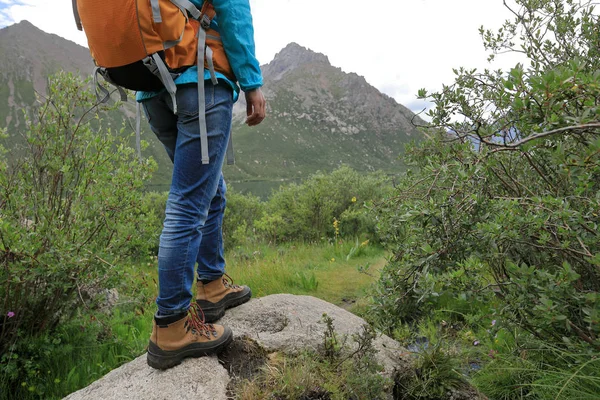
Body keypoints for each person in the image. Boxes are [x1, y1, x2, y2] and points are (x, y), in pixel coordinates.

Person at [139, 0, 266, 370]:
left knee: (209, 189)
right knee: (189, 203)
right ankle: (173, 325)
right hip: (201, 75)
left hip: (151, 88)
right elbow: (235, 16)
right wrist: (252, 82)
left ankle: (211, 284)